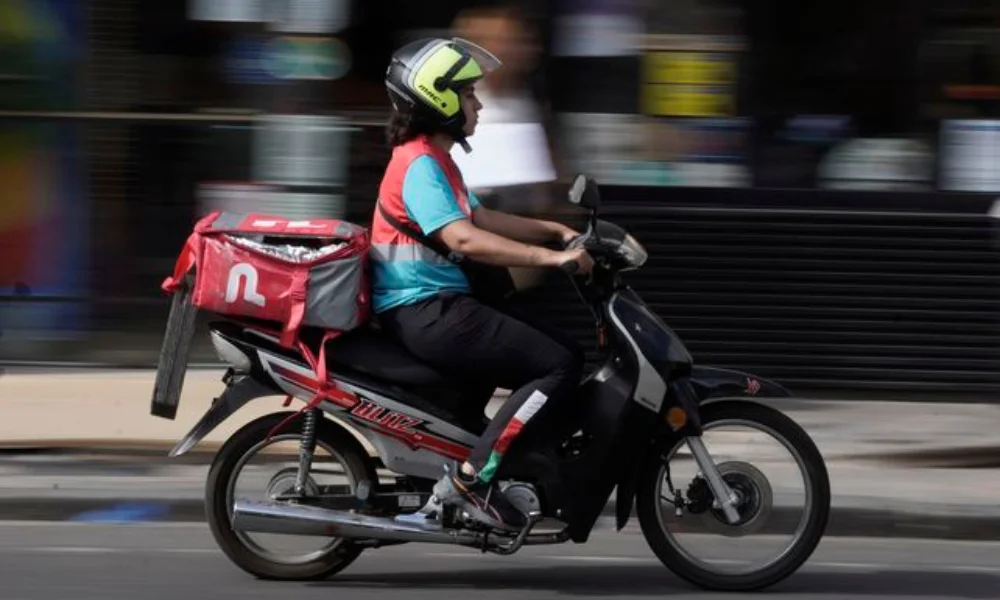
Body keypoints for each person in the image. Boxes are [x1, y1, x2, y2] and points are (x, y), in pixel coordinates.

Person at [370, 37, 595, 532]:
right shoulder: (419, 165)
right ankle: (473, 480)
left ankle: (502, 462)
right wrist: (551, 259)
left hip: (437, 306)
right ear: (442, 99)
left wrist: (553, 229)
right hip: (426, 310)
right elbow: (466, 239)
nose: (478, 103)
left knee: (562, 348)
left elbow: (479, 215)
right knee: (557, 363)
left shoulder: (434, 159)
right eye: (469, 93)